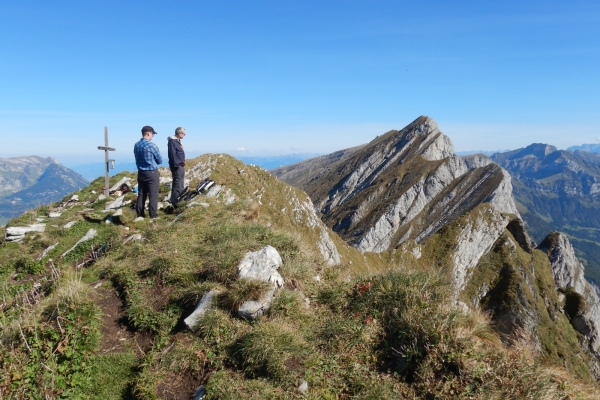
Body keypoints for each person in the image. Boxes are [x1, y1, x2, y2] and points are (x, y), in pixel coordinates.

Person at [133, 126, 163, 220]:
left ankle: (140, 215)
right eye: (152, 134)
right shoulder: (151, 145)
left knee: (141, 193)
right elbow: (160, 160)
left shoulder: (136, 145)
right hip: (151, 172)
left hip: (141, 172)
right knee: (153, 194)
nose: (152, 136)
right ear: (149, 133)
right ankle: (153, 215)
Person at [168, 127, 186, 207]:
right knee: (177, 183)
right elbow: (172, 154)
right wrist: (176, 165)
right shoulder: (172, 142)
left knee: (180, 182)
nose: (184, 135)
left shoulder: (177, 142)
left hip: (180, 165)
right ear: (179, 133)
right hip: (177, 166)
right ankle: (175, 201)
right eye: (183, 133)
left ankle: (180, 198)